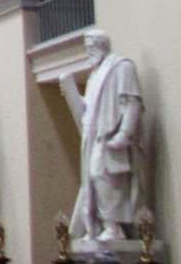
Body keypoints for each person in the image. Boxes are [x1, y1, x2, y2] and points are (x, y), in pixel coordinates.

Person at [61, 29, 148, 242]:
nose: (88, 52)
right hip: (95, 138)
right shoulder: (94, 76)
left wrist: (125, 133)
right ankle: (106, 225)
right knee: (94, 178)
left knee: (104, 175)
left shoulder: (122, 67)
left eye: (90, 48)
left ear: (101, 46)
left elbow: (132, 102)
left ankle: (114, 227)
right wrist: (71, 93)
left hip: (110, 137)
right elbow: (89, 110)